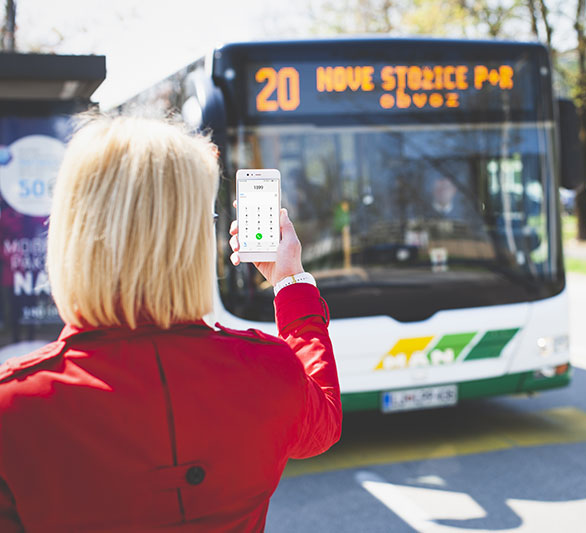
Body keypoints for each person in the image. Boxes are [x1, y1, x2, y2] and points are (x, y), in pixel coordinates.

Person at [0, 115, 341, 532]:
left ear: (72, 234)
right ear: (194, 241)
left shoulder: (13, 407)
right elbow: (323, 419)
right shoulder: (267, 371)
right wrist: (289, 280)